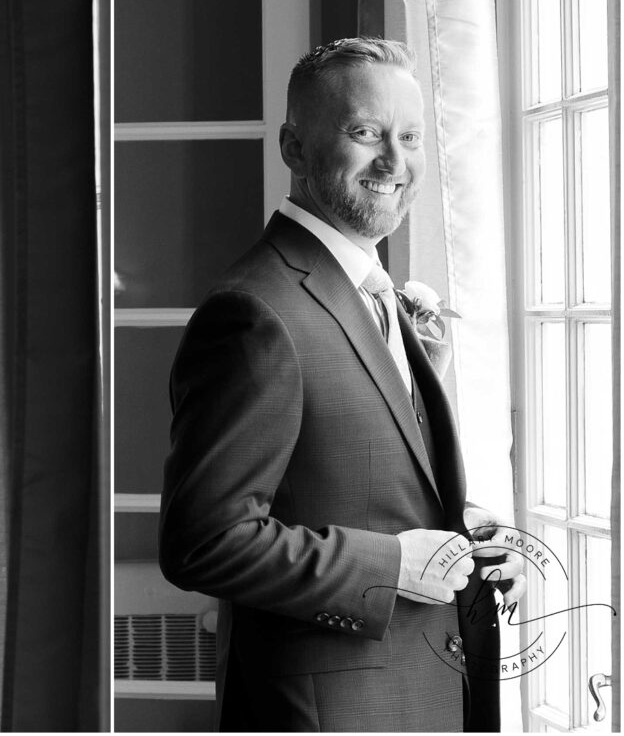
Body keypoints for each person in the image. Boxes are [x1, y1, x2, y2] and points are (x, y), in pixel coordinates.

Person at [159, 38, 524, 732]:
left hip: (427, 695)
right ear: (293, 146)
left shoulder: (370, 291)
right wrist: (390, 565)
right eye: (365, 133)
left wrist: (463, 536)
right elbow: (202, 540)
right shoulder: (255, 313)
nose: (395, 162)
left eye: (410, 136)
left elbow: (360, 480)